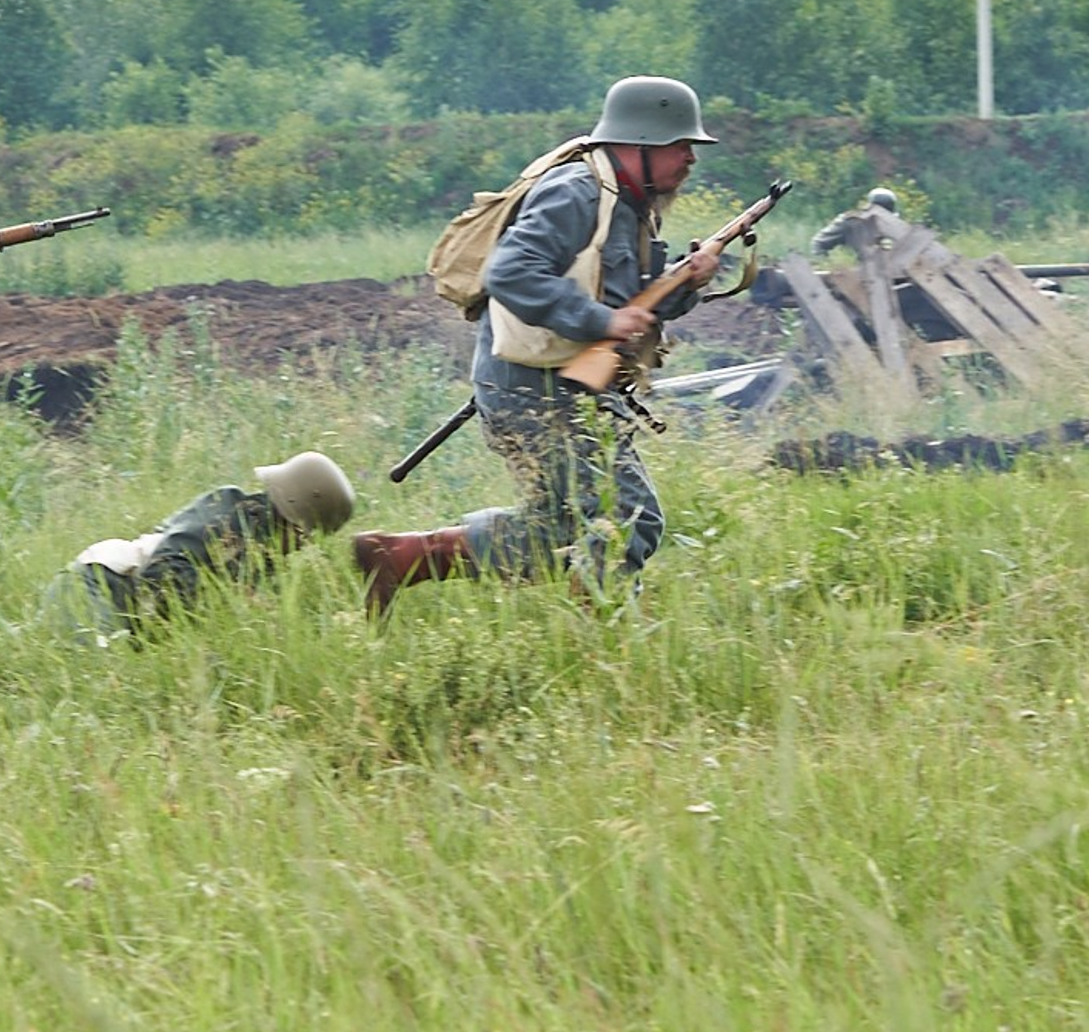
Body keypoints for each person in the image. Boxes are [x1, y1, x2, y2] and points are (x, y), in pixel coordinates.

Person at [355, 75, 727, 610]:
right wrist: (598, 321)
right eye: (680, 145)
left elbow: (631, 305)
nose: (691, 158)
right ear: (638, 144)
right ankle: (601, 639)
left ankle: (403, 557)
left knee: (559, 526)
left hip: (556, 387)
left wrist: (685, 281)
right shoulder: (576, 193)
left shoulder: (628, 203)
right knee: (627, 517)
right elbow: (513, 272)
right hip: (537, 391)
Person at [53, 451, 355, 642]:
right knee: (92, 664)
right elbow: (165, 568)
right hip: (100, 581)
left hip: (131, 611)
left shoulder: (265, 553)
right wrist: (230, 603)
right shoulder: (229, 514)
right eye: (305, 536)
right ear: (293, 516)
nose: (304, 545)